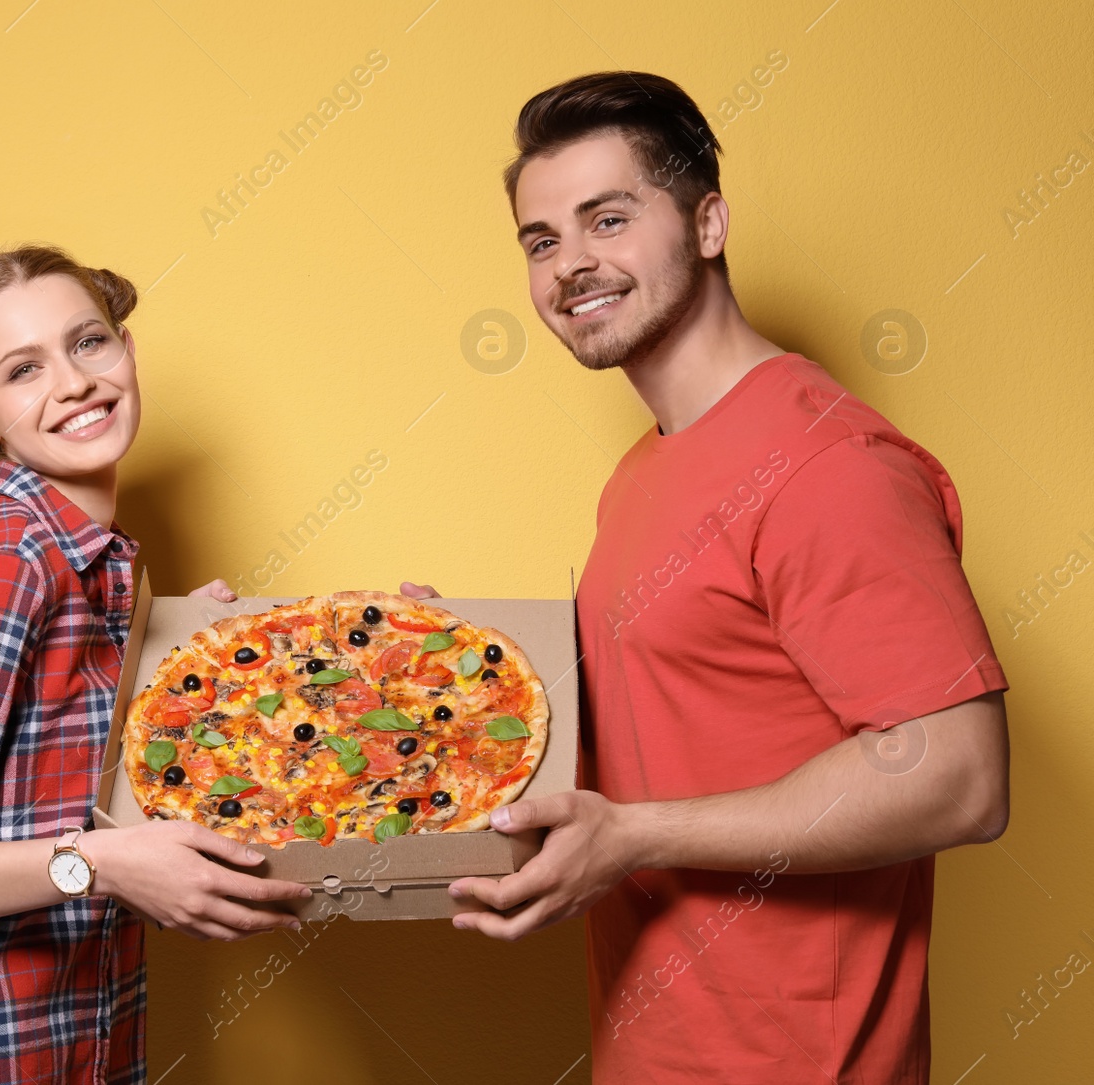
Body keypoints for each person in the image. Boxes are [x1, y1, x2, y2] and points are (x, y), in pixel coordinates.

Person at [419, 73, 1010, 1083]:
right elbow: (670, 705)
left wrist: (635, 837)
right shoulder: (649, 466)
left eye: (608, 218)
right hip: (660, 1049)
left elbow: (958, 776)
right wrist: (436, 660)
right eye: (541, 239)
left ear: (707, 222)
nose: (571, 265)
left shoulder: (829, 467)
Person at [0, 245, 310, 1084]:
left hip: (71, 1039)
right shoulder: (8, 559)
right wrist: (105, 861)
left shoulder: (95, 571)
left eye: (88, 343)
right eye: (23, 370)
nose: (75, 382)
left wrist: (197, 661)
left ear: (126, 350)